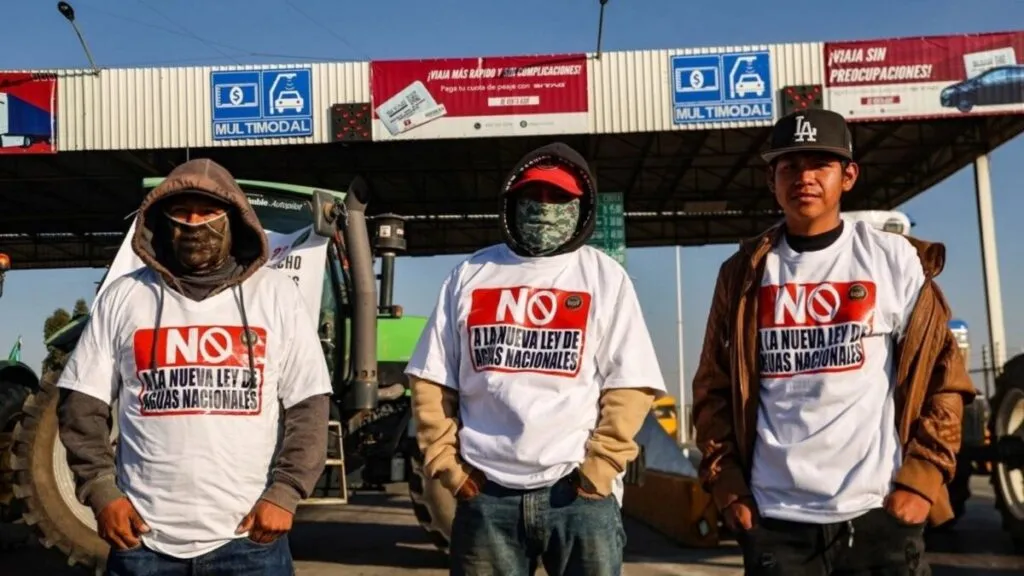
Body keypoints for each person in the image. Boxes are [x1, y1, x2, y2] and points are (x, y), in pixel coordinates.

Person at [691, 108, 976, 575]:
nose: (804, 177)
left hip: (878, 512)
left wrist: (921, 481)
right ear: (771, 180)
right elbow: (712, 388)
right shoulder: (743, 274)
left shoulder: (893, 259)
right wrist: (729, 490)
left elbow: (945, 379)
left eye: (820, 164)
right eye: (789, 166)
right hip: (776, 520)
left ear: (848, 176)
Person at [56, 158, 333, 575]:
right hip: (143, 543)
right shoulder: (125, 297)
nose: (193, 223)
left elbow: (308, 405)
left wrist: (285, 492)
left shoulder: (275, 295)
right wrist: (101, 491)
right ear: (162, 221)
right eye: (182, 212)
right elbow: (81, 405)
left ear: (234, 218)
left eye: (207, 212)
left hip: (248, 542)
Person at [405, 142, 666, 576]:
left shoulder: (604, 277)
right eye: (533, 196)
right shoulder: (470, 275)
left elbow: (631, 384)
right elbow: (432, 379)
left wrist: (598, 470)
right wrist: (450, 469)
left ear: (581, 207)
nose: (545, 208)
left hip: (578, 496)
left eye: (559, 198)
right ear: (511, 202)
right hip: (485, 494)